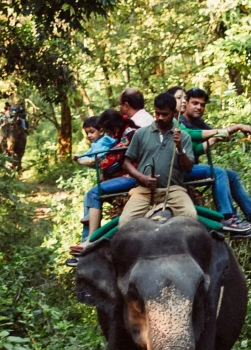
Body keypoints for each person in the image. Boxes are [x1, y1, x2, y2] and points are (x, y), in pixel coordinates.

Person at [181, 86, 251, 235]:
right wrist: (223, 134)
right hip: (182, 169)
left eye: (202, 105)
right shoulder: (181, 123)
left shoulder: (198, 123)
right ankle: (229, 218)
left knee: (232, 175)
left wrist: (226, 133)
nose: (199, 107)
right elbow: (197, 147)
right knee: (219, 173)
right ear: (186, 104)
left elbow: (219, 133)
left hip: (192, 167)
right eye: (195, 103)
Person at [116, 90, 198, 227]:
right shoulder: (141, 134)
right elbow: (126, 163)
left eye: (165, 114)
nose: (160, 117)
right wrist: (142, 178)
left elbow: (188, 168)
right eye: (157, 113)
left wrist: (179, 148)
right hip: (143, 191)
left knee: (191, 217)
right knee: (124, 223)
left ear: (174, 113)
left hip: (173, 190)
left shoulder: (183, 136)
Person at [68, 111, 135, 254]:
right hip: (128, 174)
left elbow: (109, 159)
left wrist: (85, 160)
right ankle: (88, 236)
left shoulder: (128, 135)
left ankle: (91, 239)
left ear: (113, 128)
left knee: (93, 193)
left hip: (133, 176)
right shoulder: (124, 134)